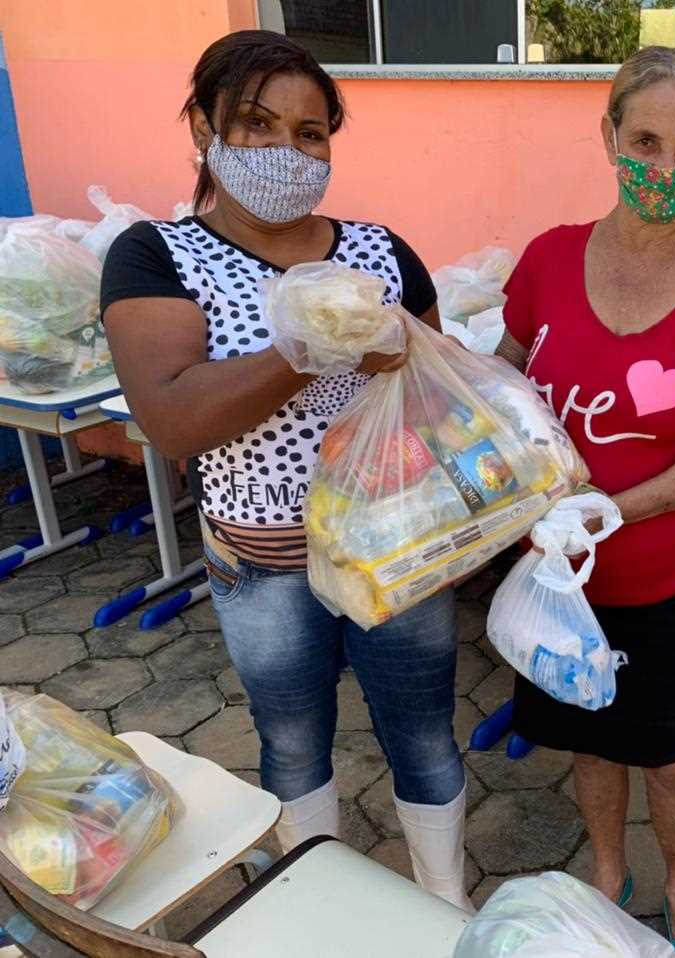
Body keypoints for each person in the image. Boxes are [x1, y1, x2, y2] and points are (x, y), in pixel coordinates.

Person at [100, 31, 471, 911]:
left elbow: (444, 397)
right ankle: (315, 904)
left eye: (311, 133)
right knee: (295, 737)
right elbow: (172, 418)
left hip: (396, 553)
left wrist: (410, 357)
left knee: (422, 734)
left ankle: (447, 905)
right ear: (203, 126)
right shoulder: (155, 255)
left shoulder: (380, 249)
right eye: (257, 124)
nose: (287, 152)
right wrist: (303, 349)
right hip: (263, 565)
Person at [494, 46, 675, 958]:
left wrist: (617, 507)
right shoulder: (547, 259)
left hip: (664, 578)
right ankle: (609, 874)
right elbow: (506, 376)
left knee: (673, 753)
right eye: (645, 140)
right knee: (589, 738)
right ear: (609, 135)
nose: (665, 168)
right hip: (558, 579)